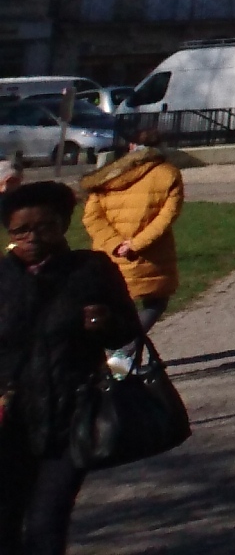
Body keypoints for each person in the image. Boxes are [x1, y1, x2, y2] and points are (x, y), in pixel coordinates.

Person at [0, 179, 140, 551]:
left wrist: (108, 324)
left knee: (46, 524)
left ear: (63, 224)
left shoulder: (91, 270)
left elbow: (129, 339)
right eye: (21, 230)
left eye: (45, 226)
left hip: (70, 419)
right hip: (8, 424)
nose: (33, 238)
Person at [71, 140, 179, 333]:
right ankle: (125, 351)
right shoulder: (167, 173)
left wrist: (115, 244)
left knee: (115, 305)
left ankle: (124, 353)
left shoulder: (105, 177)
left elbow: (92, 217)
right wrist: (135, 244)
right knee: (156, 302)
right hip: (151, 254)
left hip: (110, 256)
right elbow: (167, 216)